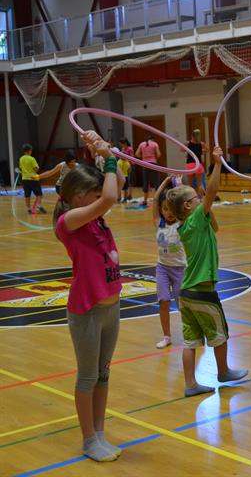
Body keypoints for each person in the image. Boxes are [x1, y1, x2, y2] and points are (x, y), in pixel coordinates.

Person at [54, 131, 125, 462]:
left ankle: (99, 433)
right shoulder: (69, 221)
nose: (102, 197)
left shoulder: (95, 216)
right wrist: (107, 159)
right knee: (87, 376)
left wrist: (104, 150)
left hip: (112, 309)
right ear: (80, 196)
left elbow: (116, 188)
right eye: (94, 193)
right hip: (87, 311)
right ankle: (88, 439)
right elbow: (110, 196)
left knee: (104, 374)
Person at [166, 145, 248, 397]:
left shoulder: (191, 224)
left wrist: (203, 200)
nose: (201, 200)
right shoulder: (195, 219)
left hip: (186, 294)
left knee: (190, 342)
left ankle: (191, 384)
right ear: (189, 207)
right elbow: (213, 190)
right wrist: (217, 163)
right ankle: (222, 371)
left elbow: (216, 227)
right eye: (196, 199)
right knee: (220, 334)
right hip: (202, 291)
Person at [152, 176, 186, 349]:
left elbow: (183, 200)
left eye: (171, 208)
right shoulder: (159, 223)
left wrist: (178, 186)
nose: (168, 212)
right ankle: (166, 336)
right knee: (163, 301)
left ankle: (191, 332)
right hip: (162, 268)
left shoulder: (181, 223)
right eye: (165, 209)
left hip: (180, 269)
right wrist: (164, 182)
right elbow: (155, 199)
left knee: (183, 304)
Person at [19, 144, 45, 214]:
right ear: (29, 150)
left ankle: (28, 208)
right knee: (39, 194)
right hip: (33, 178)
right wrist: (37, 169)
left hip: (24, 179)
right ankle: (39, 205)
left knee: (27, 195)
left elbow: (21, 168)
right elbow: (36, 169)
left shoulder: (21, 159)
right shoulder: (31, 159)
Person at [136, 135, 161, 206]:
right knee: (157, 182)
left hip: (145, 164)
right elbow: (158, 154)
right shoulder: (155, 144)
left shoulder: (141, 144)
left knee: (146, 182)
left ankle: (145, 201)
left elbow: (137, 154)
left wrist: (144, 156)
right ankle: (158, 200)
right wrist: (153, 156)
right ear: (152, 139)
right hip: (153, 164)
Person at [185, 129, 208, 198]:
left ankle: (190, 198)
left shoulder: (187, 143)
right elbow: (207, 149)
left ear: (191, 135)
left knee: (190, 184)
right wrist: (202, 152)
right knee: (200, 184)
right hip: (198, 164)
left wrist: (188, 151)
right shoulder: (201, 143)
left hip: (190, 164)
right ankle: (201, 199)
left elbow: (181, 150)